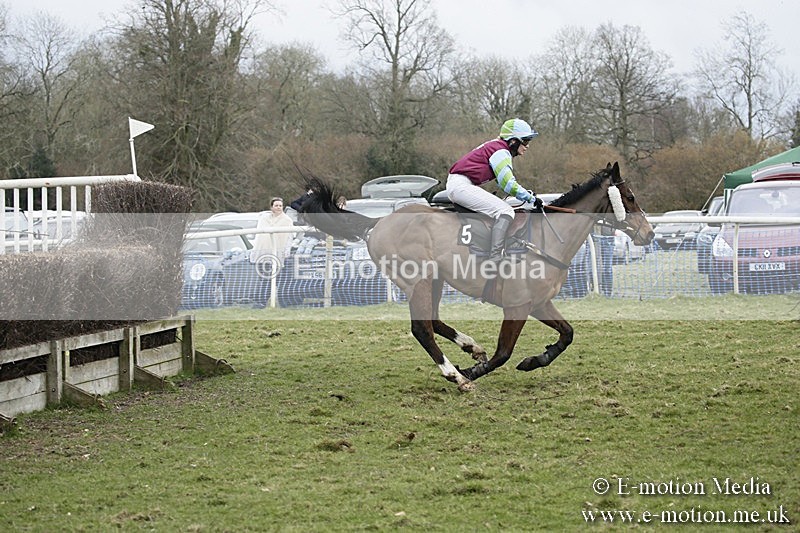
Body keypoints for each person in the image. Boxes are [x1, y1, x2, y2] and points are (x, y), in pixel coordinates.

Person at [446, 118, 542, 262]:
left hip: (461, 184)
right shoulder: (501, 151)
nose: (527, 146)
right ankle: (496, 256)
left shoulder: (496, 147)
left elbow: (501, 180)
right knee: (506, 211)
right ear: (513, 141)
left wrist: (525, 194)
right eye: (526, 141)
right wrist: (530, 198)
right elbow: (508, 184)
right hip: (461, 185)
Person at [251, 197, 294, 264]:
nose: (278, 207)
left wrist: (287, 251)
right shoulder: (264, 219)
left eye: (280, 206)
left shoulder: (287, 220)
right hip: (263, 251)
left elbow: (289, 237)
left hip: (278, 252)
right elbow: (258, 236)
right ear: (271, 207)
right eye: (276, 206)